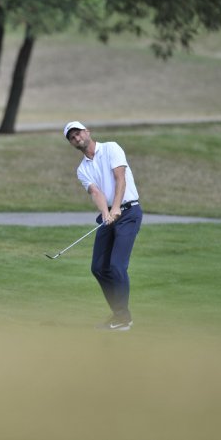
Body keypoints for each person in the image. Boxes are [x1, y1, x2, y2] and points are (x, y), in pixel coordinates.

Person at [64, 121, 142, 331]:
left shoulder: (111, 148)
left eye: (78, 133)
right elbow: (96, 193)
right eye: (72, 137)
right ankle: (118, 315)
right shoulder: (82, 169)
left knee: (117, 266)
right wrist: (106, 213)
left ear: (87, 132)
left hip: (128, 212)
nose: (76, 138)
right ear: (72, 143)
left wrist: (116, 207)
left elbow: (120, 179)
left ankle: (124, 318)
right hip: (109, 214)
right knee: (98, 267)